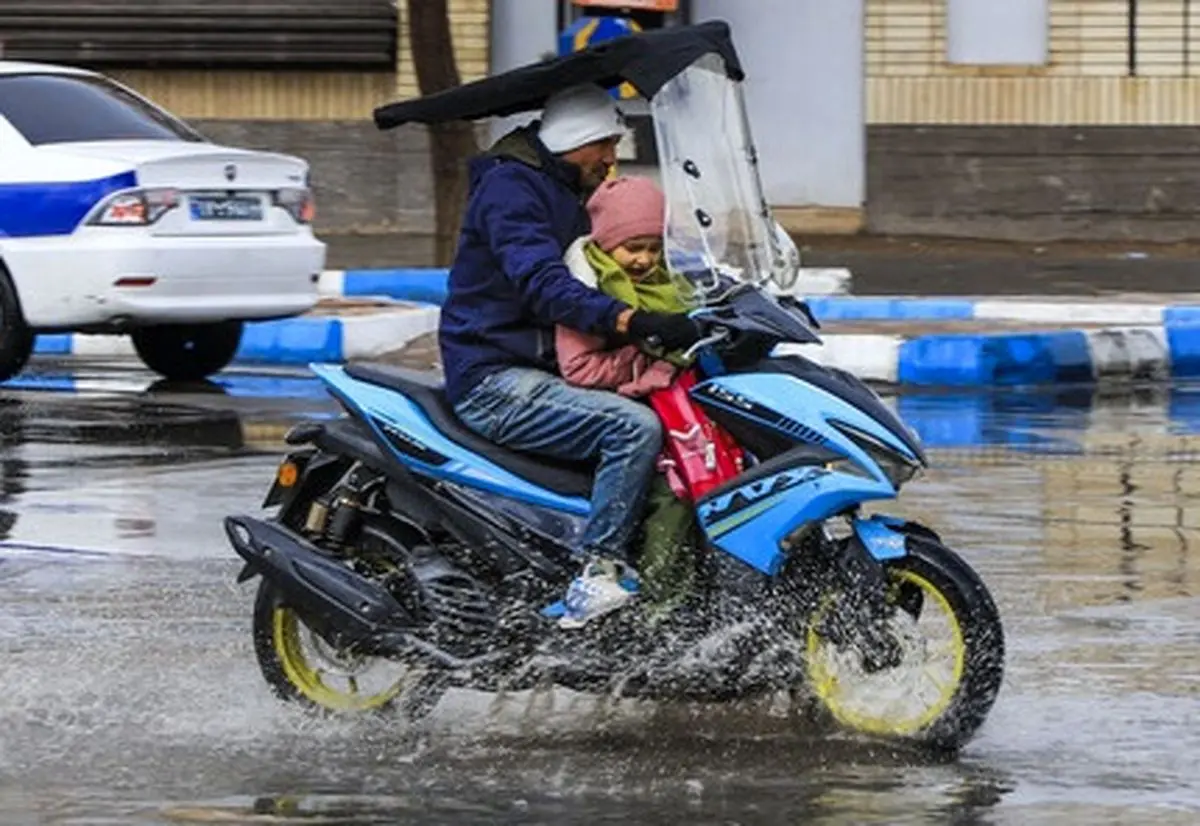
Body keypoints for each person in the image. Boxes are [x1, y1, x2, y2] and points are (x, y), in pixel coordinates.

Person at [440, 83, 702, 628]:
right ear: (571, 139)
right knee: (632, 430)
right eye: (603, 144)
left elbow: (628, 253)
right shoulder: (512, 190)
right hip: (494, 376)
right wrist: (630, 321)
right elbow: (543, 283)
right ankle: (597, 572)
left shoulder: (565, 187)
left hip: (542, 368)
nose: (611, 158)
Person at [555, 175, 702, 616]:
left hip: (675, 404)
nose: (644, 260)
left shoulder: (670, 282)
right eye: (632, 248)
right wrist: (648, 359)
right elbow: (578, 367)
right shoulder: (588, 291)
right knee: (673, 494)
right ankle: (659, 609)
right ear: (606, 244)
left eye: (653, 248)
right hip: (626, 408)